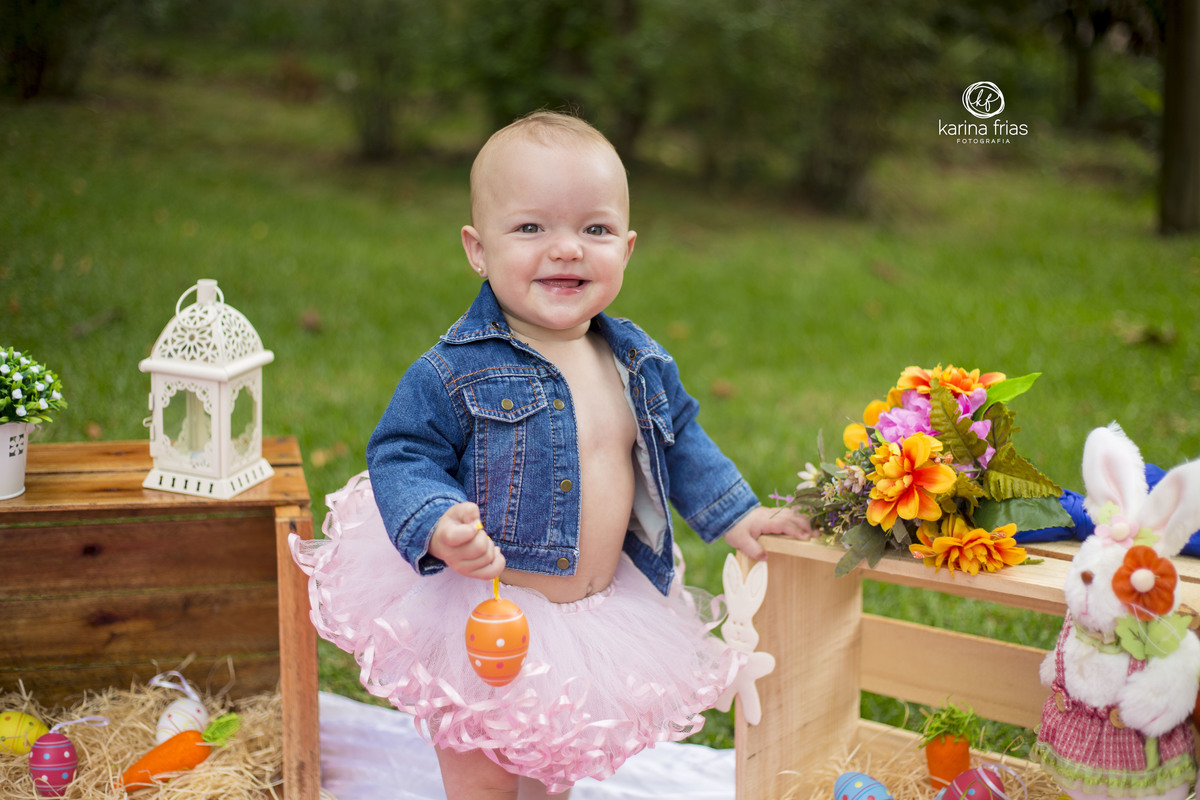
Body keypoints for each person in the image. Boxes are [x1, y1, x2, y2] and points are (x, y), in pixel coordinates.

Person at [292, 110, 813, 799]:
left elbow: (681, 440)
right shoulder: (455, 369)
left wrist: (736, 516)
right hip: (486, 609)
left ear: (626, 249)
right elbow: (402, 451)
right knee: (483, 770)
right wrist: (438, 518)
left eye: (593, 230)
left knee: (554, 763)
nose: (566, 249)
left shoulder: (638, 362)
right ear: (478, 249)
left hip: (590, 620)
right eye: (532, 228)